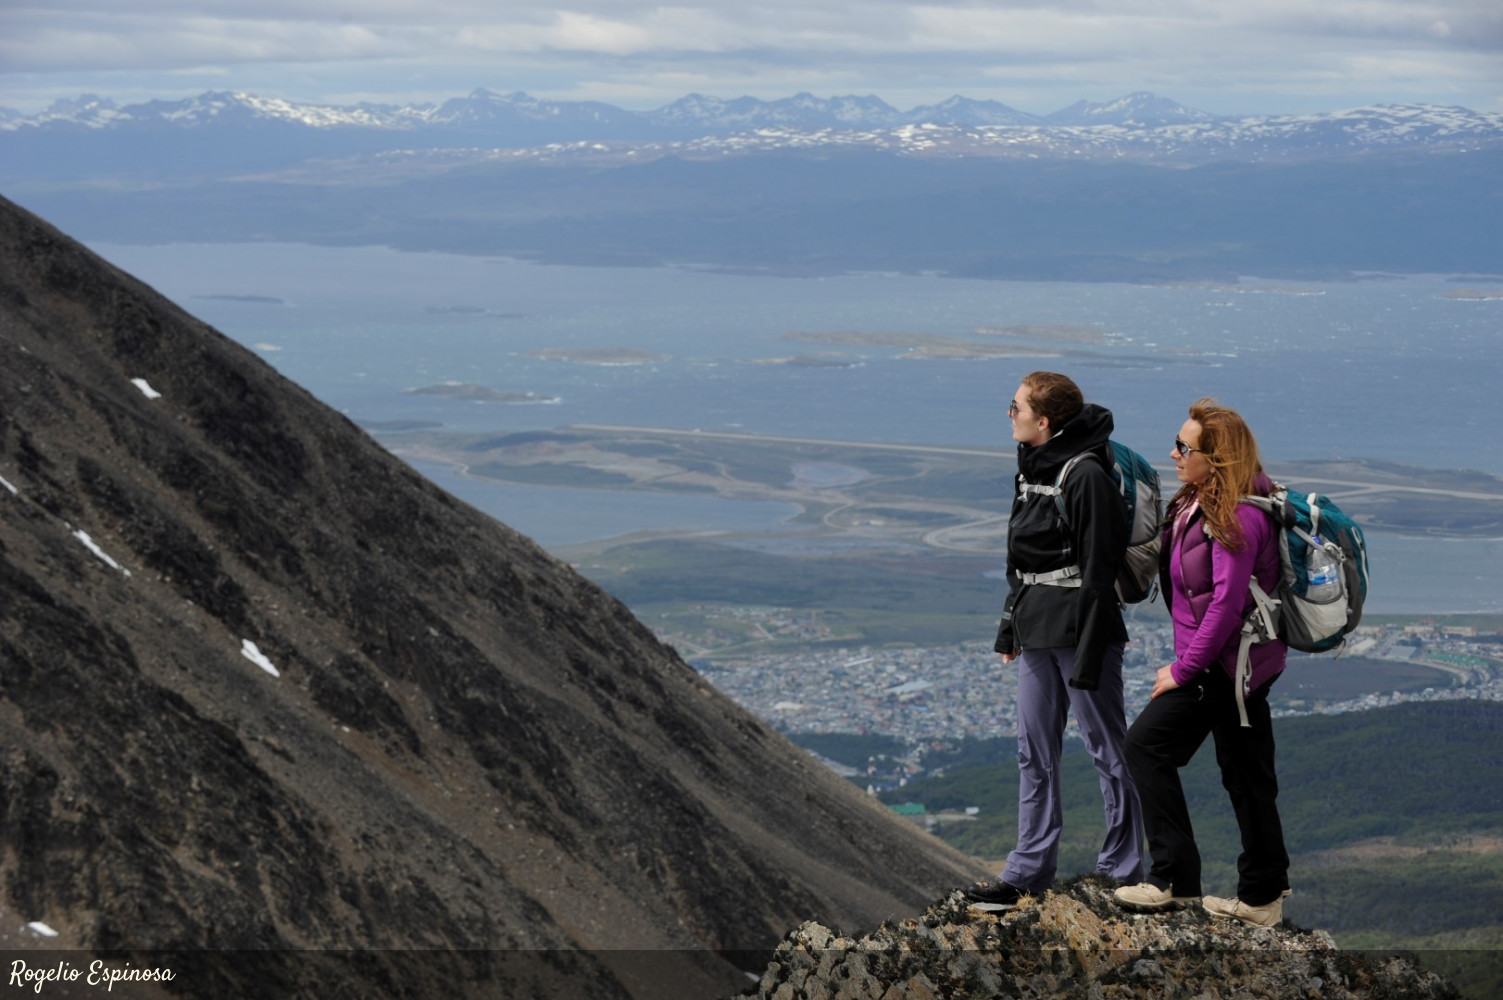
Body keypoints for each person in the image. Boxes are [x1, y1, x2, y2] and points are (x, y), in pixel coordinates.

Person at [965, 371, 1145, 912]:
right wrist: (1008, 626)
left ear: (1043, 421)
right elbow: (1019, 559)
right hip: (1038, 628)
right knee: (1033, 750)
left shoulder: (1085, 475)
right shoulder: (1031, 471)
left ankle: (1123, 870)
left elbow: (1099, 570)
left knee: (1108, 750)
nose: (1010, 413)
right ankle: (1027, 870)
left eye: (1015, 406)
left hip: (1083, 632)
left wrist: (1089, 654)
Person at [1113, 398, 1292, 927]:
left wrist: (1183, 670)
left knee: (1144, 746)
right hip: (1241, 665)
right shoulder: (1203, 500)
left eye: (1184, 447)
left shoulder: (1235, 515)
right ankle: (1262, 895)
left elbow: (1225, 604)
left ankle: (1175, 880)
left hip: (1222, 668)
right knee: (1248, 774)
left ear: (1217, 458)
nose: (1172, 453)